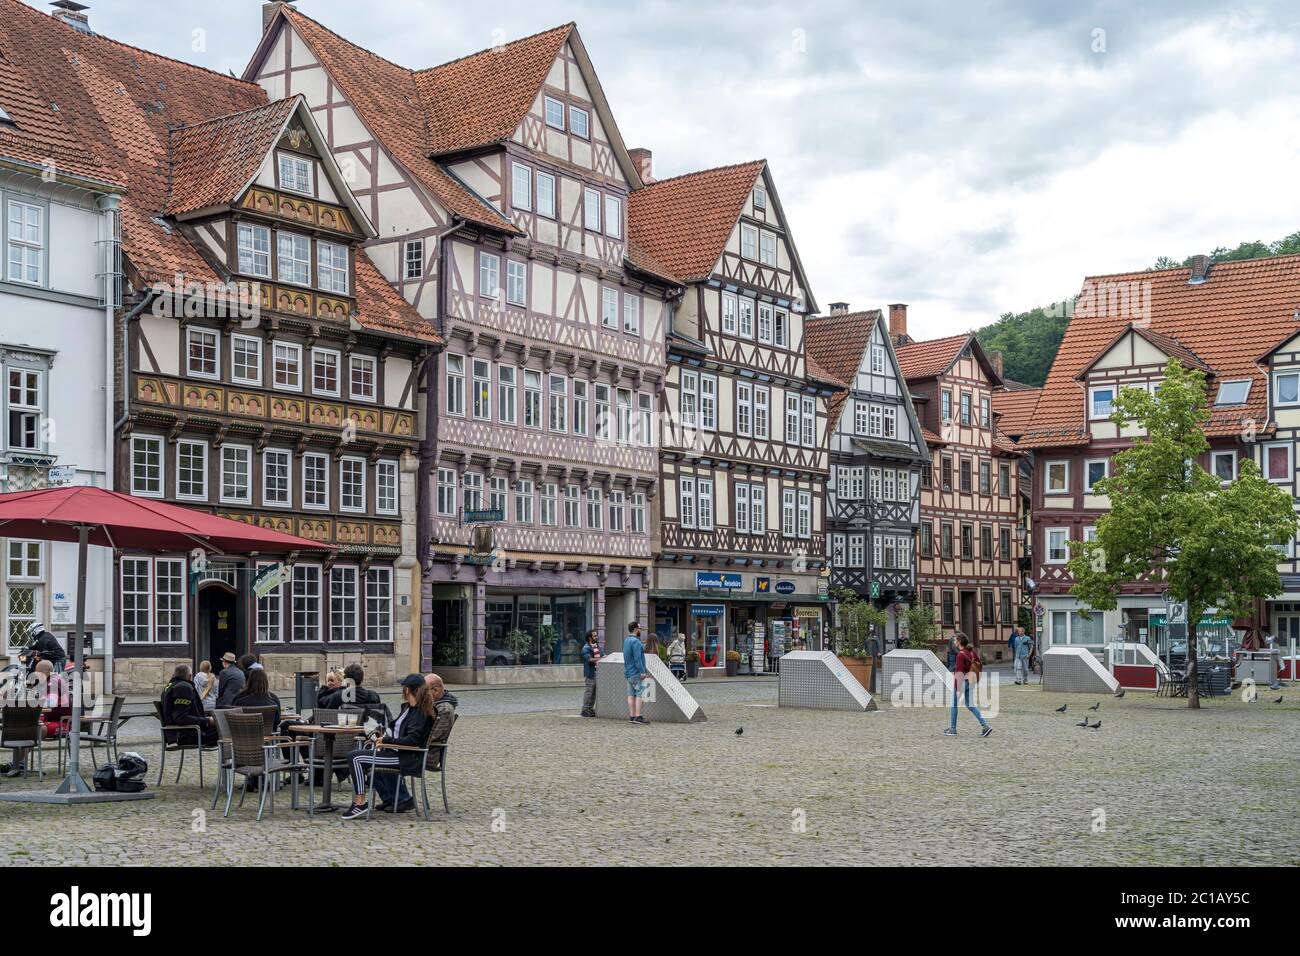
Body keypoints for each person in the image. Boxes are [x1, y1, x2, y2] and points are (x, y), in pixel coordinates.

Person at [340, 674, 435, 819]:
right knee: (362, 753)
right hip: (397, 752)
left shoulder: (418, 712)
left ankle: (359, 802)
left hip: (405, 757)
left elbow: (412, 740)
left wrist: (387, 741)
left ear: (408, 690)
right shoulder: (410, 709)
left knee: (355, 757)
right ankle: (390, 797)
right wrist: (384, 738)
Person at [945, 636, 992, 738]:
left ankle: (953, 729)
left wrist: (957, 688)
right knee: (970, 704)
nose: (954, 641)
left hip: (962, 682)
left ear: (959, 642)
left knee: (953, 704)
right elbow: (979, 665)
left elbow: (959, 672)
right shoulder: (972, 652)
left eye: (955, 640)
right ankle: (985, 726)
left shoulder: (960, 655)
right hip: (971, 681)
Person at [161, 664, 218, 748]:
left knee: (224, 728)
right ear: (190, 676)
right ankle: (232, 759)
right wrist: (207, 721)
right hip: (187, 734)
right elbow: (180, 718)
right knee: (228, 730)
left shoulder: (170, 685)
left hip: (182, 731)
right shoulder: (183, 688)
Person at [623, 621, 649, 725]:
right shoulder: (637, 642)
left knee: (630, 695)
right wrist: (642, 671)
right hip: (636, 672)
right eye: (639, 629)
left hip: (628, 672)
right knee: (640, 694)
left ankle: (632, 715)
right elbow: (637, 658)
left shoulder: (626, 641)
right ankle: (638, 716)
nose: (640, 631)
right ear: (635, 629)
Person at [580, 630, 601, 717]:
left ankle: (590, 709)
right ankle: (585, 709)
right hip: (591, 673)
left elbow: (602, 655)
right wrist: (600, 658)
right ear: (590, 638)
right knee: (589, 692)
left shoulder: (597, 646)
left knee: (594, 692)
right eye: (595, 636)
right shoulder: (586, 648)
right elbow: (589, 659)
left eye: (596, 635)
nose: (597, 637)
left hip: (598, 672)